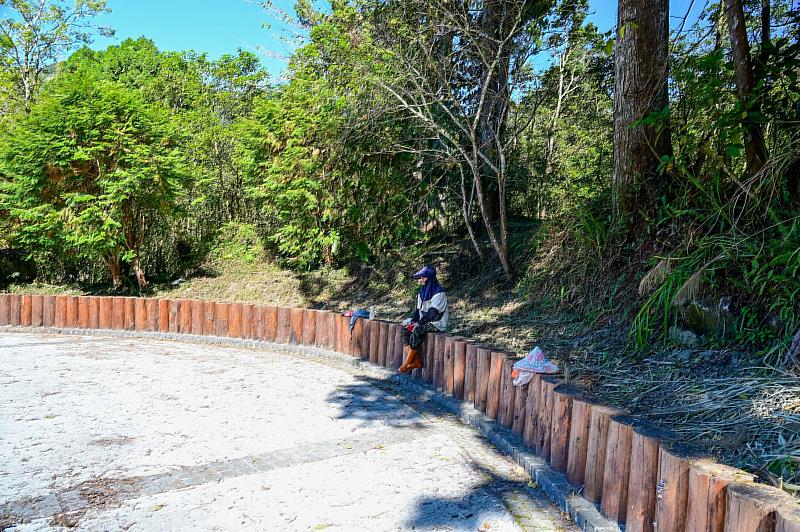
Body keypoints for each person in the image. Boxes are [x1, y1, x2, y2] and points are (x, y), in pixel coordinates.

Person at [399, 265, 448, 373]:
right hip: (423, 321)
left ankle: (407, 363)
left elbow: (433, 313)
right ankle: (416, 360)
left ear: (430, 278)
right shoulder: (421, 292)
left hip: (437, 323)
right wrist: (413, 321)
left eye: (423, 277)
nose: (421, 280)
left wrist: (419, 324)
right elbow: (418, 311)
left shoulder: (439, 292)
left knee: (417, 330)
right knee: (405, 330)